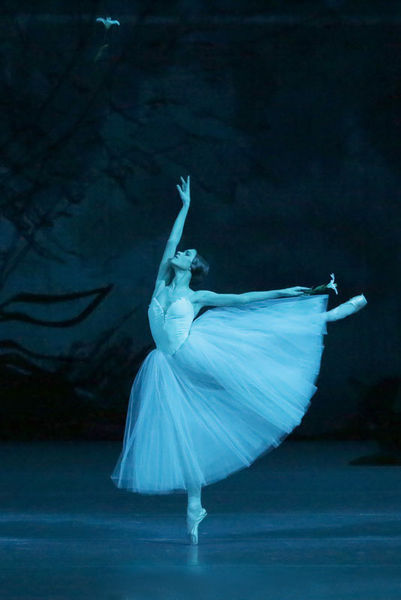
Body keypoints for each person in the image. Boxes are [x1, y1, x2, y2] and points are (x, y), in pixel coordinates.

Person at [110, 175, 367, 544]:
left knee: (257, 339)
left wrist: (284, 291)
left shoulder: (197, 297)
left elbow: (243, 299)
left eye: (186, 255)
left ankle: (324, 317)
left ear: (192, 268)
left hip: (192, 355)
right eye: (182, 253)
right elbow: (171, 240)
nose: (180, 253)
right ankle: (195, 506)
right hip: (167, 366)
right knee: (185, 435)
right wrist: (185, 206)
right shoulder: (161, 285)